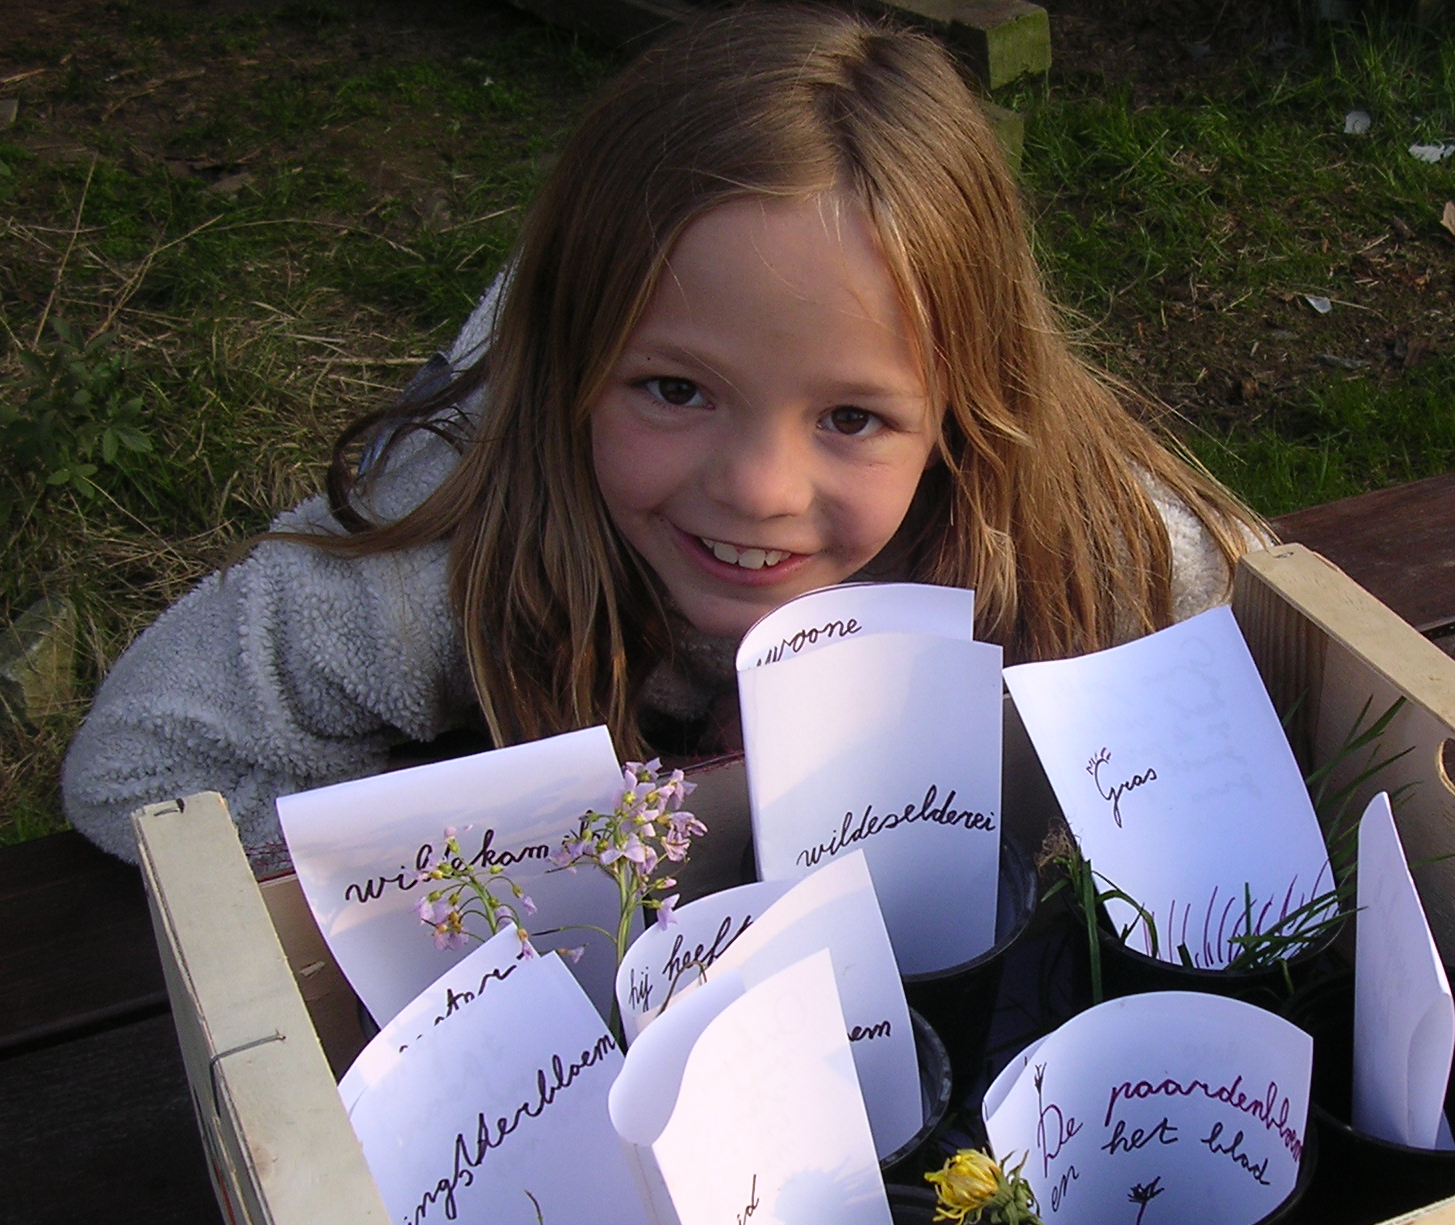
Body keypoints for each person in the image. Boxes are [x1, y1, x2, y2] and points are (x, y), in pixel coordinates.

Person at [62, 5, 1271, 865]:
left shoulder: (1064, 521)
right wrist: (505, 852)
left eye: (851, 417)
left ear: (964, 408)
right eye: (676, 392)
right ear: (575, 370)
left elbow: (1278, 631)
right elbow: (137, 770)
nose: (757, 489)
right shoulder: (450, 551)